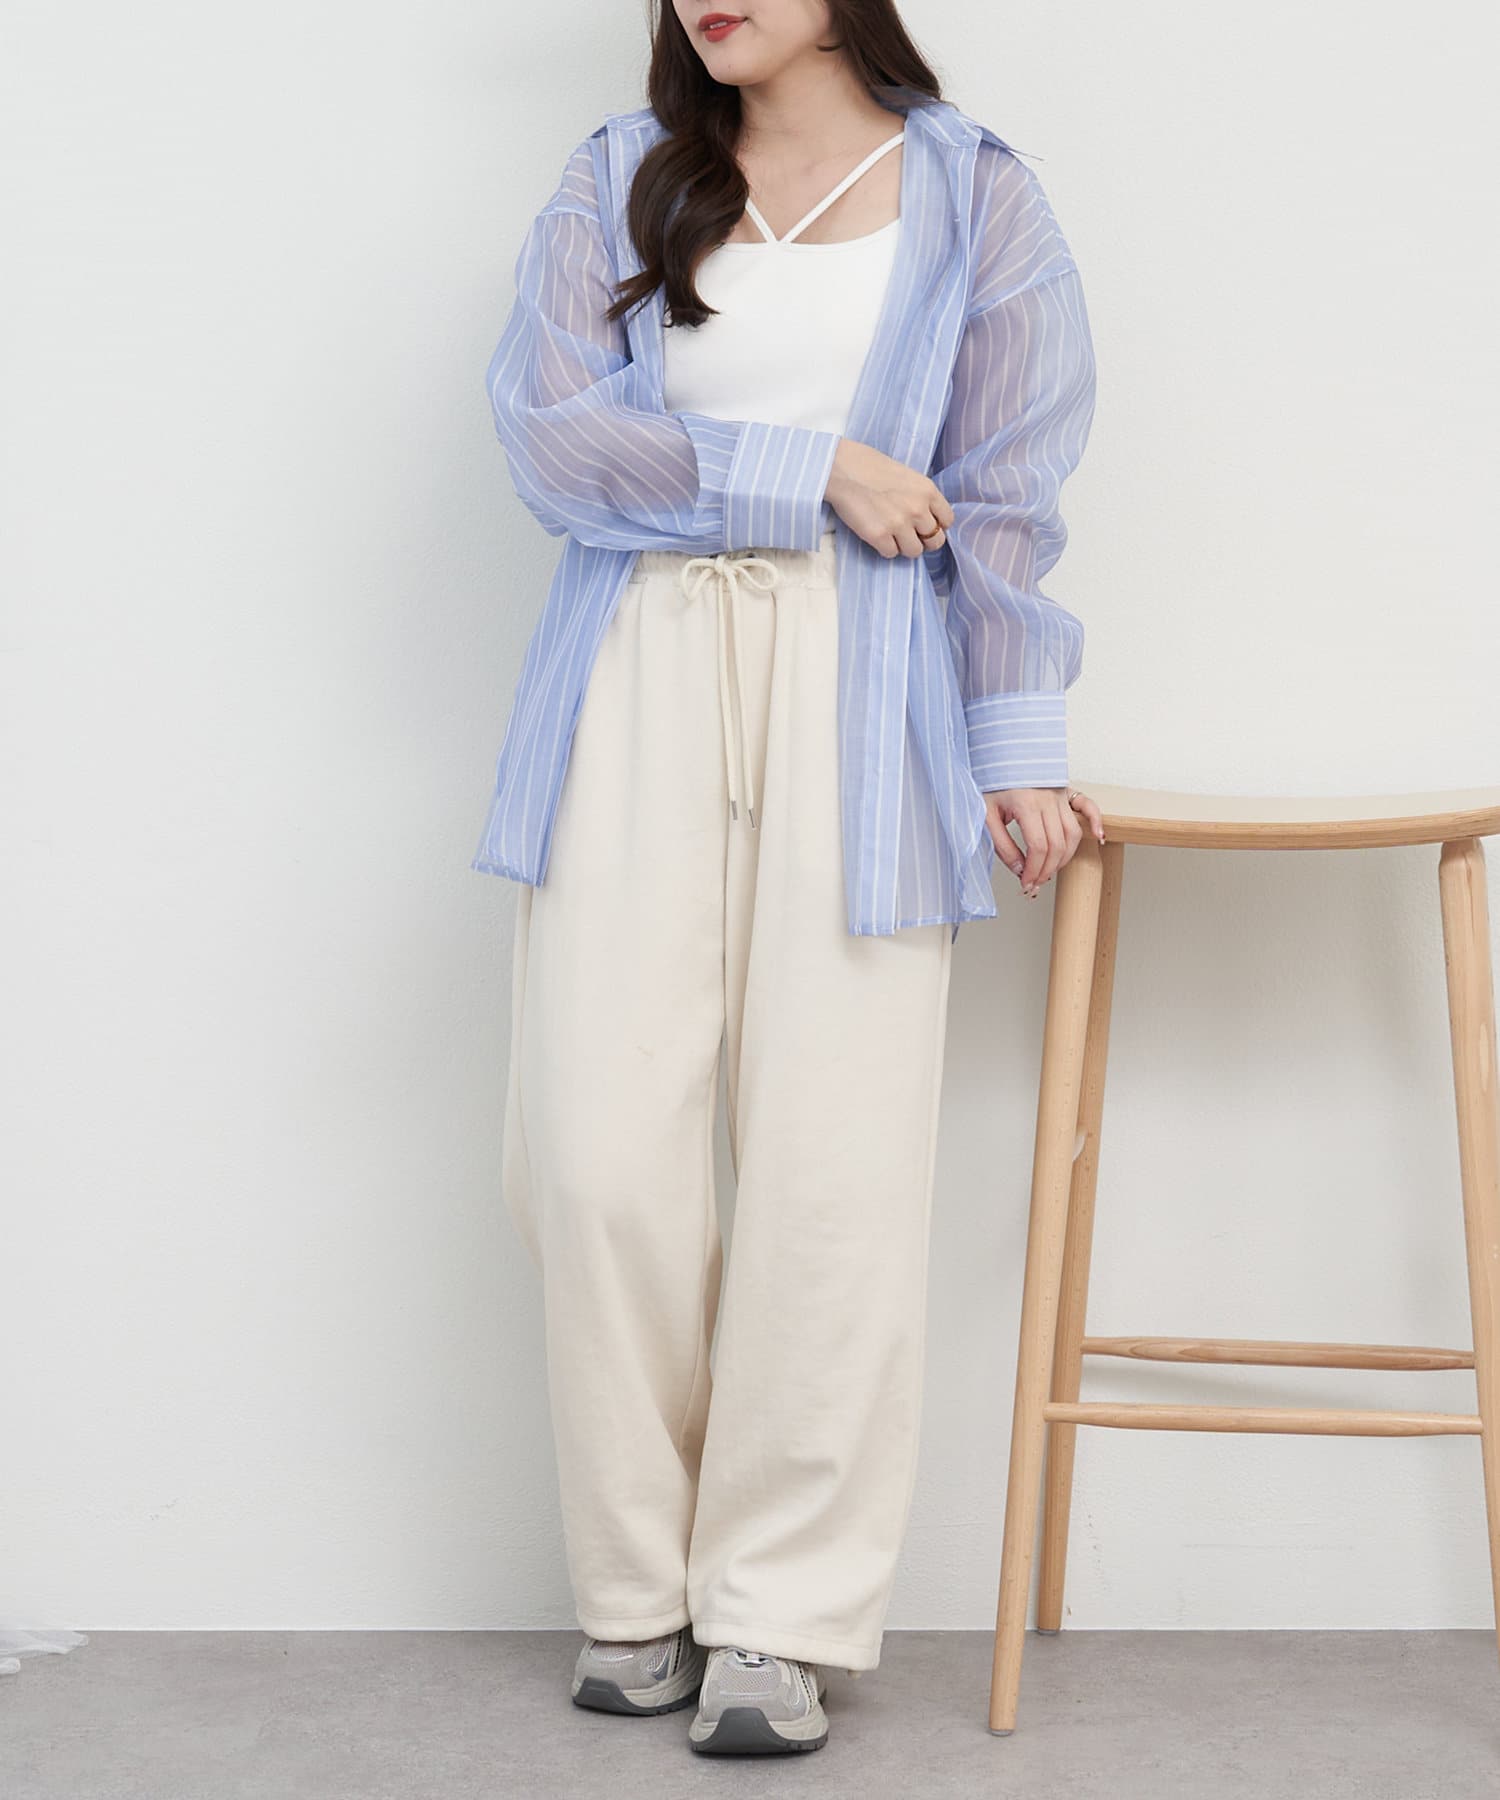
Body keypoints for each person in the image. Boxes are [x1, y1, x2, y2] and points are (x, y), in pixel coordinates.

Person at [474, 0, 1105, 1758]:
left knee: (834, 1166)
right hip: (634, 672)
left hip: (870, 691)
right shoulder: (620, 175)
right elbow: (552, 444)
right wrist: (810, 468)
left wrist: (1017, 742)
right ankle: (635, 1589)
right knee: (596, 1155)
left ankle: (774, 1616)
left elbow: (1004, 492)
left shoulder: (977, 191)